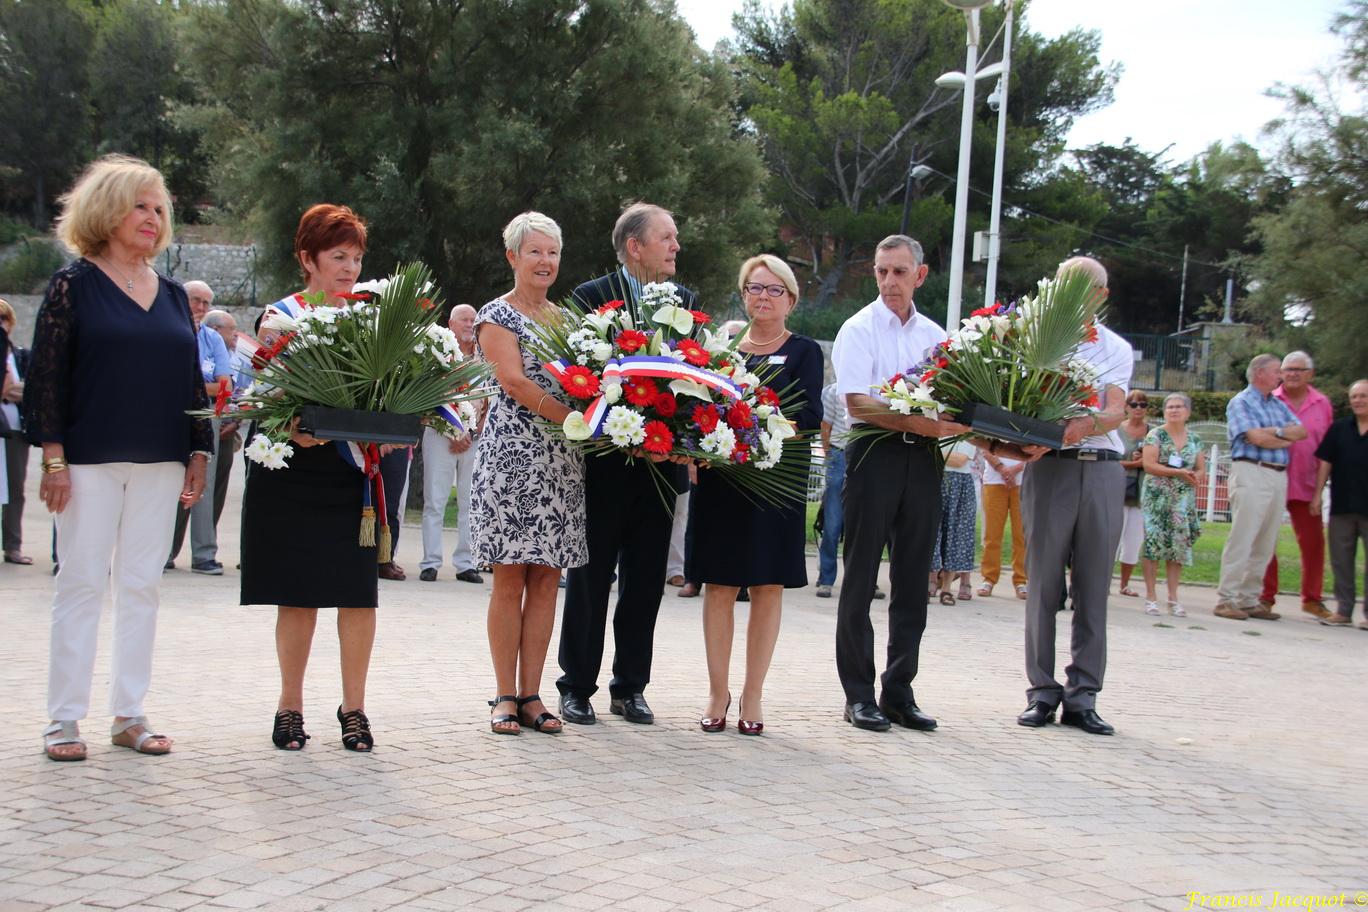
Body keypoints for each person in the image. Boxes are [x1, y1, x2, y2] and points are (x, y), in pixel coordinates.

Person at [25, 154, 212, 761]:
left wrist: (198, 450)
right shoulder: (72, 285)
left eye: (159, 208)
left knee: (141, 586)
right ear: (106, 210)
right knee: (80, 582)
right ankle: (64, 721)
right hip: (87, 459)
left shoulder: (176, 294)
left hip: (160, 459)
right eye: (140, 205)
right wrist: (52, 457)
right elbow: (47, 379)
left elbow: (191, 380)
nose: (152, 218)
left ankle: (129, 715)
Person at [240, 203, 384, 752]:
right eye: (338, 256)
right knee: (296, 596)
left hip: (350, 474)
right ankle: (290, 706)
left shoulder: (372, 319)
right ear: (308, 258)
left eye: (356, 258)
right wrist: (295, 429)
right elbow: (271, 399)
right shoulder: (281, 317)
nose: (349, 268)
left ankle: (355, 709)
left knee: (357, 596)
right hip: (292, 471)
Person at [556, 202, 691, 726]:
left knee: (646, 580)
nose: (676, 246)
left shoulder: (687, 304)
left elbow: (695, 384)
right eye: (667, 237)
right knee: (589, 578)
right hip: (604, 466)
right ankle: (576, 686)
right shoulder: (591, 299)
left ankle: (630, 687)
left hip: (660, 465)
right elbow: (579, 376)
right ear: (635, 247)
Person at [830, 235, 967, 732]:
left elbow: (954, 404)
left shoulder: (935, 335)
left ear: (920, 275)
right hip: (873, 456)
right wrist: (923, 422)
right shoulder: (858, 328)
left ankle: (899, 691)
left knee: (913, 579)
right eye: (882, 271)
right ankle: (858, 695)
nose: (889, 281)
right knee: (862, 577)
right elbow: (858, 404)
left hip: (925, 461)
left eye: (899, 272)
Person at [691, 255, 823, 735]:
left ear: (790, 298)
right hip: (724, 482)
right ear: (743, 294)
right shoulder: (721, 351)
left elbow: (808, 416)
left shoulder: (805, 351)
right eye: (754, 288)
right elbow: (699, 408)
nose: (763, 297)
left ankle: (753, 693)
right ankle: (717, 690)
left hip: (777, 482)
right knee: (720, 585)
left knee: (767, 586)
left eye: (774, 290)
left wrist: (755, 429)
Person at [1005, 256, 1132, 736]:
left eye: (1083, 288)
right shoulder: (1032, 339)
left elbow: (1116, 411)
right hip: (1050, 472)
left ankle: (1084, 695)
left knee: (1093, 588)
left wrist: (1069, 431)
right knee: (1042, 586)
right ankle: (1041, 692)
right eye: (1064, 286)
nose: (1072, 296)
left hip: (1100, 471)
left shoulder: (1116, 347)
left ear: (1101, 295)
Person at [472, 212, 587, 735]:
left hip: (563, 463)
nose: (546, 262)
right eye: (535, 252)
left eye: (553, 253)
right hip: (512, 460)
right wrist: (573, 418)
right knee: (510, 577)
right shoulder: (497, 316)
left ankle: (533, 695)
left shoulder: (567, 322)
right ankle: (502, 695)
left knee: (547, 580)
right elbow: (513, 383)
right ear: (513, 257)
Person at [1215, 354, 1307, 621]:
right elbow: (1254, 437)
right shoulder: (1241, 402)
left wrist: (1273, 434)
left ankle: (1249, 598)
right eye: (1276, 371)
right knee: (1243, 536)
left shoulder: (1277, 404)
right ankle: (1227, 598)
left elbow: (1300, 433)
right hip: (1250, 470)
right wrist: (1281, 434)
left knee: (1267, 540)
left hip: (1277, 475)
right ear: (1259, 373)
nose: (1281, 376)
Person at [1258, 351, 1335, 620]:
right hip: (1273, 478)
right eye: (1287, 369)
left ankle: (1312, 599)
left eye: (1298, 369)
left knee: (1313, 544)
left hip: (1308, 484)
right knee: (1266, 540)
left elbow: (1327, 447)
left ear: (1310, 374)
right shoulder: (1268, 400)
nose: (1292, 373)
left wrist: (1320, 489)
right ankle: (1265, 597)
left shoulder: (1323, 404)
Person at [168, 285, 233, 575]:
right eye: (196, 300)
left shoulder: (213, 339)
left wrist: (188, 385)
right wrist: (199, 385)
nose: (201, 308)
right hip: (169, 412)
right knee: (167, 479)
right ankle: (164, 552)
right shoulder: (169, 331)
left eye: (207, 303)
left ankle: (204, 554)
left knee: (203, 478)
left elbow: (225, 386)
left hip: (207, 412)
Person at [419, 304, 486, 584]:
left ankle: (465, 563)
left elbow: (491, 399)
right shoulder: (436, 356)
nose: (470, 324)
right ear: (451, 323)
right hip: (439, 435)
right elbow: (426, 398)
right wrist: (452, 432)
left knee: (470, 503)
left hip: (475, 439)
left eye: (473, 320)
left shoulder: (484, 358)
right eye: (464, 320)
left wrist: (478, 429)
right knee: (435, 500)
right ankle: (431, 562)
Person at [1139, 394, 1205, 617]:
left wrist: (1196, 476)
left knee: (1178, 547)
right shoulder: (1155, 435)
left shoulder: (1195, 439)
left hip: (1181, 499)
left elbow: (1200, 467)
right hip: (1157, 497)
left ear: (1187, 411)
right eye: (1170, 407)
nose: (1174, 410)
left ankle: (1173, 597)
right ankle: (1150, 597)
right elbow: (1148, 464)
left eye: (1179, 407)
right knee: (1153, 544)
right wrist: (1177, 472)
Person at [1310, 379, 1368, 629]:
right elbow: (1325, 463)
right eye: (1354, 396)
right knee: (1341, 560)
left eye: (1363, 396)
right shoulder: (1339, 428)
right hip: (1342, 506)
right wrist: (1317, 495)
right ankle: (1344, 610)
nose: (1358, 400)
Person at [1, 298, 33, 565]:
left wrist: (16, 388)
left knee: (15, 488)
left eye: (3, 318)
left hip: (14, 430)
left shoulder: (21, 355)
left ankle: (13, 546)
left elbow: (32, 388)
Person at [930, 439, 978, 605]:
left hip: (961, 484)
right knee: (930, 532)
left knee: (955, 535)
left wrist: (932, 451)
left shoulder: (968, 434)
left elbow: (959, 461)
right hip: (936, 479)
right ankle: (929, 583)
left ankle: (947, 589)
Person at [977, 452, 1027, 599]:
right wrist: (1002, 468)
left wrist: (1016, 469)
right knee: (992, 535)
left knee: (1021, 535)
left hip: (1023, 481)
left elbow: (1036, 450)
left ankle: (1021, 579)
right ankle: (988, 578)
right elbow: (984, 447)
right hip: (994, 480)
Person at [1116, 390, 1150, 597]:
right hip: (1117, 488)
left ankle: (1124, 584)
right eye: (1134, 404)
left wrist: (1144, 461)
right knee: (1112, 537)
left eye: (1143, 404)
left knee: (1133, 540)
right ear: (1126, 407)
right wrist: (1135, 462)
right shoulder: (1116, 430)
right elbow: (1109, 460)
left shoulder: (1152, 432)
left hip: (1140, 490)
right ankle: (1103, 582)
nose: (1138, 408)